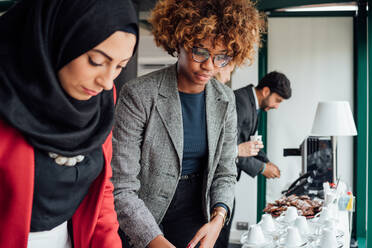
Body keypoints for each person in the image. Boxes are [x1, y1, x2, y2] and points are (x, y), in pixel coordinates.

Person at [111, 0, 264, 248]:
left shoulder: (225, 98)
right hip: (143, 211)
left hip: (195, 210)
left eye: (221, 57)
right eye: (200, 52)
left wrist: (219, 216)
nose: (209, 66)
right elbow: (122, 187)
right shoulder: (139, 94)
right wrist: (153, 240)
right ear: (179, 41)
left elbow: (225, 171)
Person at [0, 0, 138, 247]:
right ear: (57, 36)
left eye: (120, 66)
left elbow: (102, 191)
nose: (107, 81)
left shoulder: (101, 100)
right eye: (96, 61)